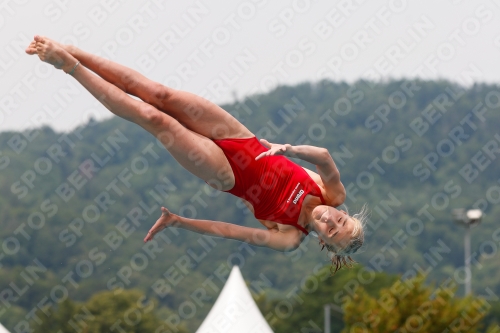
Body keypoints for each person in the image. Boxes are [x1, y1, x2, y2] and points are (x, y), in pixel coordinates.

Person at [26, 36, 366, 273]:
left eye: (332, 232)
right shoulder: (333, 193)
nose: (331, 222)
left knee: (154, 118)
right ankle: (75, 50)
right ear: (344, 213)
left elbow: (230, 231)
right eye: (341, 221)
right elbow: (323, 156)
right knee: (159, 93)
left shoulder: (290, 237)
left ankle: (68, 65)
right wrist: (288, 149)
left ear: (323, 243)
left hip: (226, 173)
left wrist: (180, 222)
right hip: (242, 138)